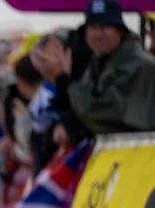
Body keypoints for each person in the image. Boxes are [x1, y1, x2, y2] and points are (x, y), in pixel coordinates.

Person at [31, 0, 155, 134]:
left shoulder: (139, 65)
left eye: (104, 27)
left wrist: (62, 79)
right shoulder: (97, 64)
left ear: (120, 31)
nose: (98, 34)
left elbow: (104, 117)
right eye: (92, 28)